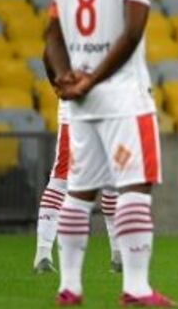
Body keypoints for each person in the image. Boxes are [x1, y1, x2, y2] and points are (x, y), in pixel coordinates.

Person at [43, 0, 177, 307]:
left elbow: (50, 36)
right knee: (135, 185)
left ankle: (70, 286)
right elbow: (132, 32)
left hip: (81, 103)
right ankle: (136, 288)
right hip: (121, 96)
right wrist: (94, 79)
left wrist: (67, 79)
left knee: (80, 189)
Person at [31, 97, 122, 276]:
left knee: (110, 180)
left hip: (99, 109)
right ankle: (43, 253)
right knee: (64, 178)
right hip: (84, 108)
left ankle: (43, 253)